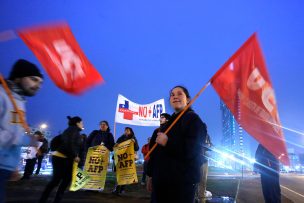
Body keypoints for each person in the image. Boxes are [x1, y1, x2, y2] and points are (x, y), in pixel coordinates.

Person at [146, 85, 207, 203]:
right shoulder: (167, 125)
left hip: (180, 185)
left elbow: (192, 151)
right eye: (172, 95)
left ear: (188, 99)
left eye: (179, 94)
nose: (175, 97)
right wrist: (151, 175)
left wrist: (168, 142)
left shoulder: (193, 120)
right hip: (161, 184)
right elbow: (156, 152)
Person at [0, 59, 43, 203]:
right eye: (33, 79)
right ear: (18, 77)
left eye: (40, 82)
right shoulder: (2, 95)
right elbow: (12, 135)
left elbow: (11, 131)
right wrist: (23, 139)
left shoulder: (19, 100)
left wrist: (12, 165)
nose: (37, 85)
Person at [39, 116, 84, 203]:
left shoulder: (71, 130)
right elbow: (69, 143)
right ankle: (46, 200)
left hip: (63, 158)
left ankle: (51, 200)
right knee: (58, 181)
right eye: (82, 123)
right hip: (62, 158)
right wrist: (75, 156)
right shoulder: (73, 130)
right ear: (77, 123)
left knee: (62, 180)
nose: (83, 124)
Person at [112, 127, 139, 195]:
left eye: (128, 130)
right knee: (119, 173)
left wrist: (134, 143)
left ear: (131, 131)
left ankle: (122, 189)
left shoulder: (133, 139)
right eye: (125, 130)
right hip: (120, 159)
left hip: (128, 160)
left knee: (126, 174)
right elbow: (115, 146)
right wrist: (116, 145)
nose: (126, 131)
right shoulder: (121, 138)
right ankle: (117, 189)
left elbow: (137, 148)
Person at [195, 133, 212, 203]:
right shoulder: (199, 135)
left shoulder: (206, 135)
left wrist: (209, 146)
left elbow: (210, 146)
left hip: (203, 159)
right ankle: (200, 196)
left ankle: (201, 195)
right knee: (201, 179)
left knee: (202, 180)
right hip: (200, 159)